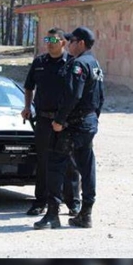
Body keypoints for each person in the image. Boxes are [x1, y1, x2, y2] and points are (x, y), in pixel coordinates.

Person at [34, 26, 104, 229]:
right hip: (88, 123)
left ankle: (52, 214)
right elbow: (100, 97)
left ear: (80, 43)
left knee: (55, 164)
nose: (69, 44)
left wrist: (60, 120)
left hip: (73, 124)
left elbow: (73, 95)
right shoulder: (95, 64)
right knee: (86, 165)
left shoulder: (78, 65)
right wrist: (93, 119)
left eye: (71, 41)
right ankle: (86, 213)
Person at [22, 28, 81, 217]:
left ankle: (73, 202)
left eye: (53, 40)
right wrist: (27, 106)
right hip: (43, 120)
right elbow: (29, 86)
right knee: (43, 161)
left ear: (63, 42)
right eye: (47, 39)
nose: (49, 43)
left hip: (65, 121)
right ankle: (41, 202)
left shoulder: (72, 63)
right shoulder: (39, 62)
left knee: (69, 161)